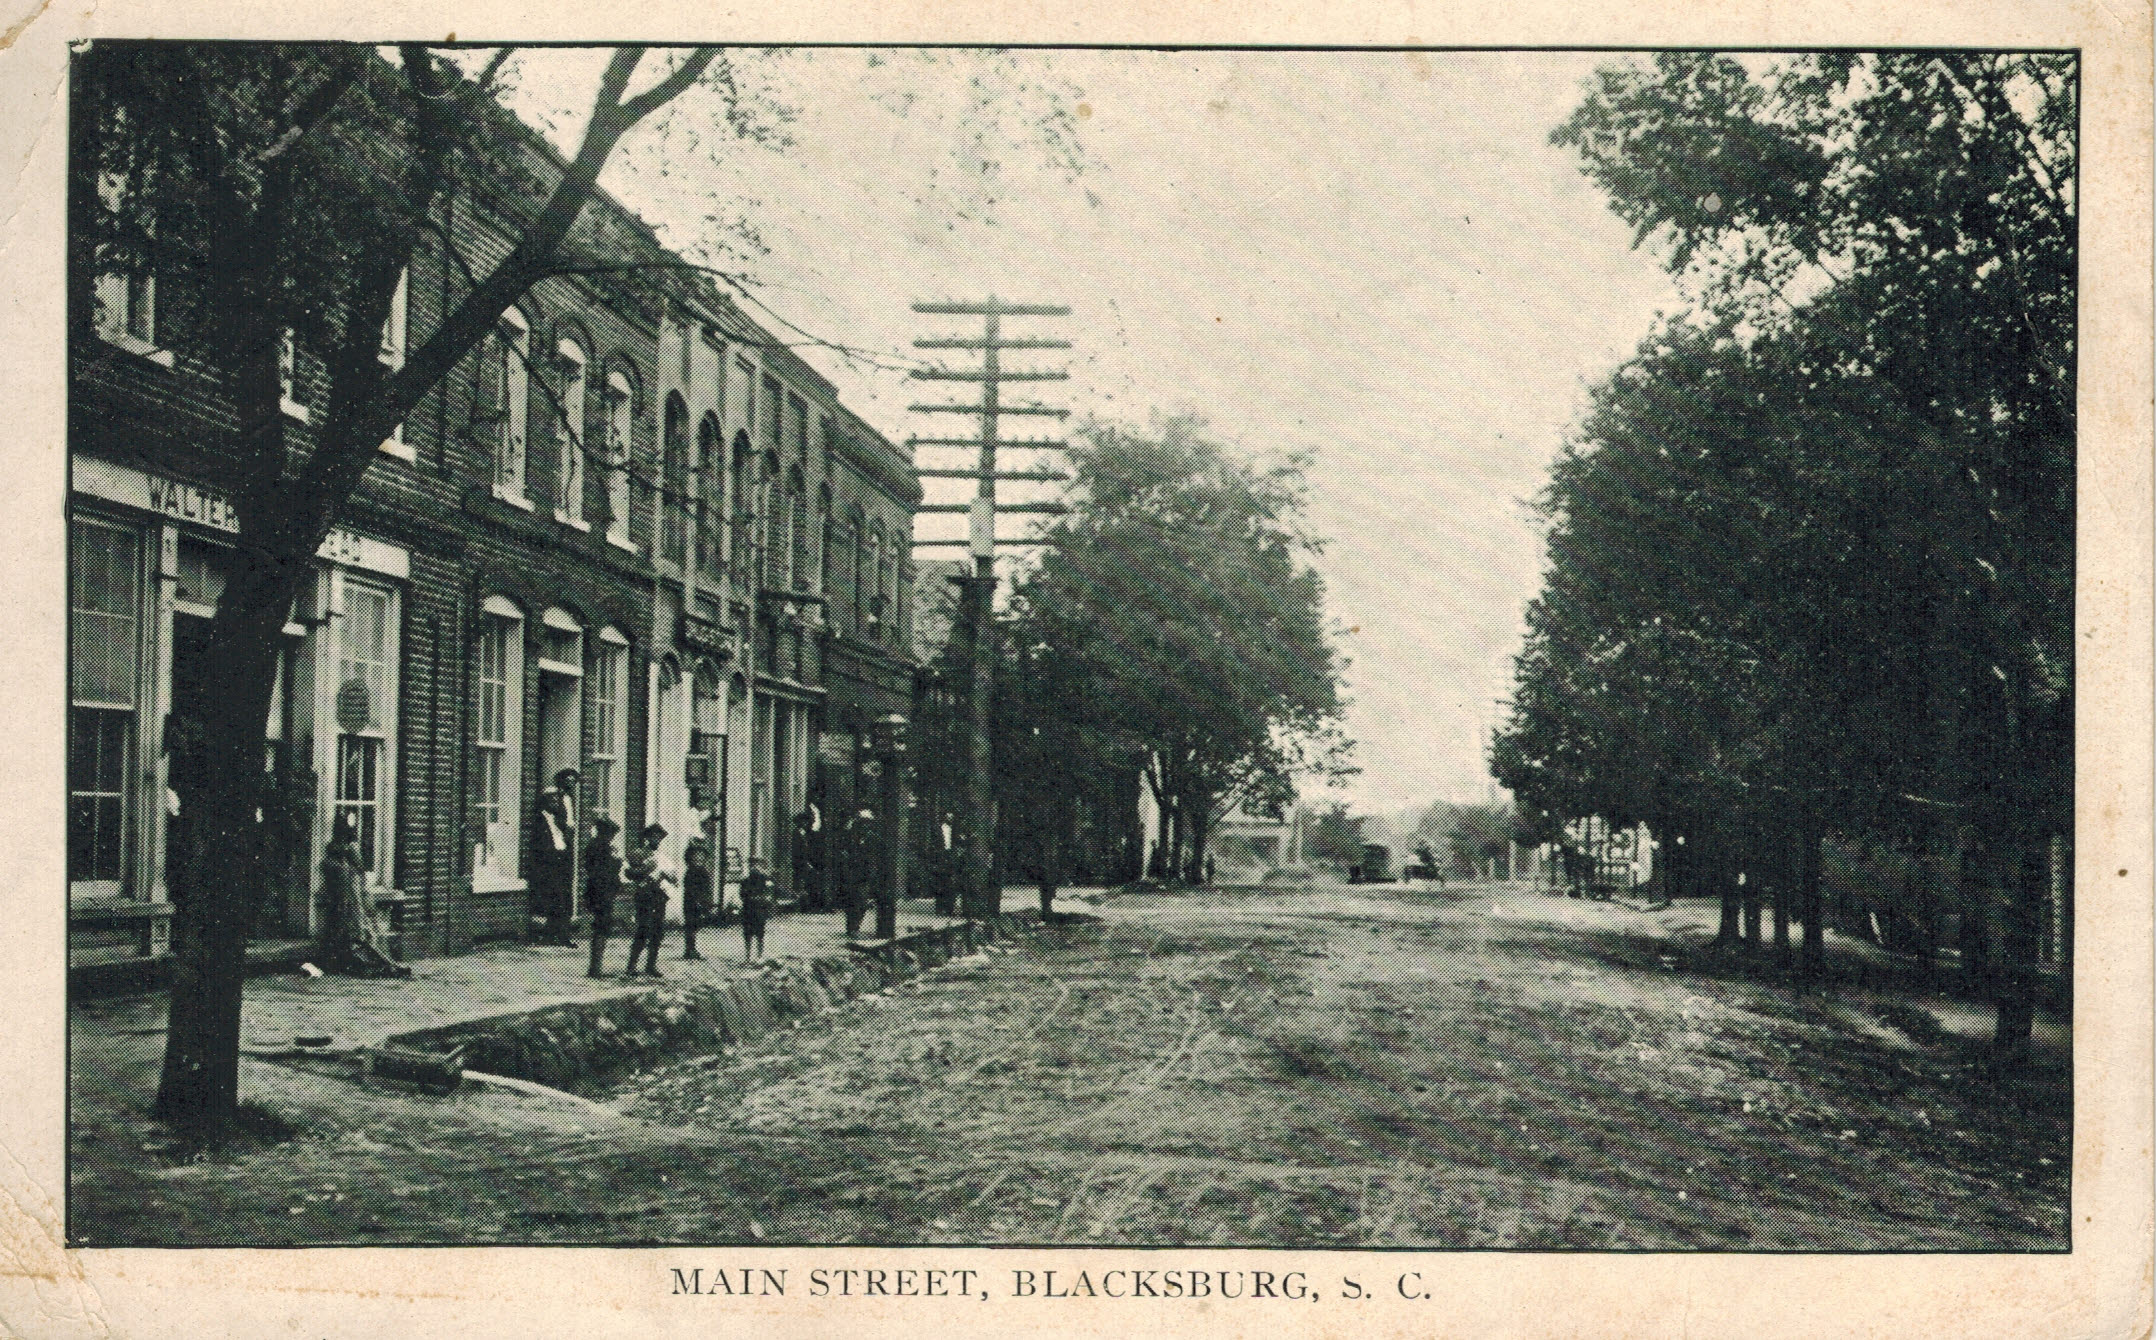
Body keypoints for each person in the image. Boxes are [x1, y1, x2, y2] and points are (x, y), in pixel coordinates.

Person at [319, 812, 410, 978]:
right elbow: (348, 883)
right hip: (346, 905)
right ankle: (384, 965)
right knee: (360, 936)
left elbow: (360, 879)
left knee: (368, 935)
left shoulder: (343, 861)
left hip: (354, 903)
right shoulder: (336, 863)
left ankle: (388, 964)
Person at [530, 768, 580, 947]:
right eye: (552, 800)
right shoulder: (541, 821)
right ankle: (548, 934)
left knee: (564, 896)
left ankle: (563, 934)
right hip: (548, 861)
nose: (556, 803)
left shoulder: (561, 818)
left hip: (562, 857)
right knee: (550, 896)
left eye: (557, 800)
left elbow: (568, 830)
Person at [622, 822, 674, 977]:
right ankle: (631, 965)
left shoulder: (663, 857)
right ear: (647, 838)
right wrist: (644, 871)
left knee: (657, 931)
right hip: (644, 896)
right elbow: (628, 873)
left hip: (659, 896)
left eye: (659, 837)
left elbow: (673, 877)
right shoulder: (638, 854)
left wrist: (667, 876)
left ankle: (651, 965)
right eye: (653, 836)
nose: (656, 839)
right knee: (643, 929)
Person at [583, 817, 623, 978]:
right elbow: (605, 871)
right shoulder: (601, 848)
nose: (611, 837)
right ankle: (595, 968)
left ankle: (595, 967)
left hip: (599, 891)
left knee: (601, 926)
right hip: (601, 892)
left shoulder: (594, 846)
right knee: (602, 926)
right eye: (610, 834)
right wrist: (617, 862)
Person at [680, 838, 713, 961]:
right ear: (691, 859)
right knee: (690, 925)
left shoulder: (704, 872)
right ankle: (689, 949)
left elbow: (707, 888)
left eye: (701, 857)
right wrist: (696, 900)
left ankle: (691, 948)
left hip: (701, 902)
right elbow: (689, 888)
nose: (699, 860)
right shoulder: (690, 872)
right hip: (691, 902)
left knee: (696, 925)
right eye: (696, 858)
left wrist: (707, 901)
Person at [738, 855, 775, 962]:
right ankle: (748, 956)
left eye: (756, 865)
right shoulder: (745, 881)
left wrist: (765, 900)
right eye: (752, 865)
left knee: (760, 933)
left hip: (760, 909)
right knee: (747, 933)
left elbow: (770, 894)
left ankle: (759, 956)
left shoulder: (765, 880)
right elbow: (742, 894)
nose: (754, 868)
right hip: (748, 909)